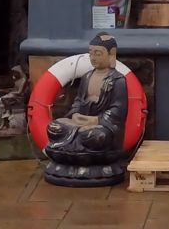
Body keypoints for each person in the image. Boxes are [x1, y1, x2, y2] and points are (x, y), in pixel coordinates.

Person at [43, 33, 131, 180]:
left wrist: (96, 120)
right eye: (91, 53)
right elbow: (78, 100)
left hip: (102, 126)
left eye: (98, 53)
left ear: (111, 54)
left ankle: (71, 151)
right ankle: (76, 147)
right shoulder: (87, 77)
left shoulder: (117, 80)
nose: (93, 57)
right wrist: (75, 114)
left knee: (95, 136)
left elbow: (118, 110)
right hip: (81, 123)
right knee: (54, 127)